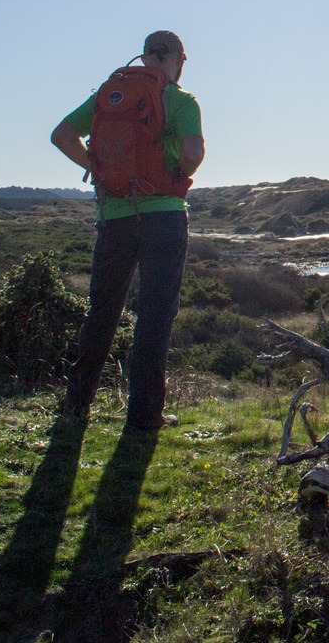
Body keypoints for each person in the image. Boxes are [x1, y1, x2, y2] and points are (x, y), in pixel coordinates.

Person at [51, 30, 204, 431]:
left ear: (144, 56)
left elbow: (61, 135)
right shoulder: (182, 100)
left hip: (114, 215)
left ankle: (76, 405)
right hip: (164, 215)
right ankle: (144, 416)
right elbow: (192, 154)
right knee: (154, 315)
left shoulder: (110, 94)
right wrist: (175, 173)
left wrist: (97, 168)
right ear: (178, 60)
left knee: (102, 311)